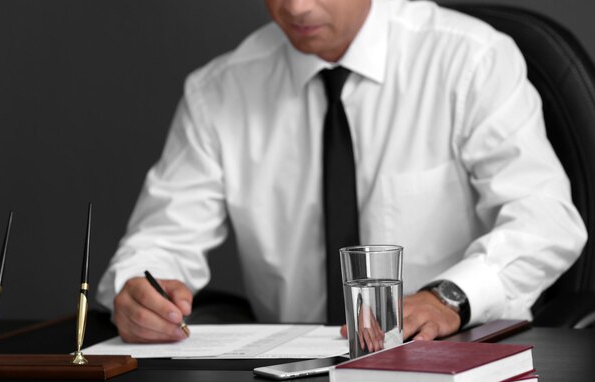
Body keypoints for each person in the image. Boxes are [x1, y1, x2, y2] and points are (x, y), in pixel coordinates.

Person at [96, 0, 587, 344]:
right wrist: (141, 293)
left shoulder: (470, 59)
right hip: (295, 379)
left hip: (458, 357)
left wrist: (450, 297)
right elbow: (159, 242)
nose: (297, 8)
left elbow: (546, 221)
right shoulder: (219, 91)